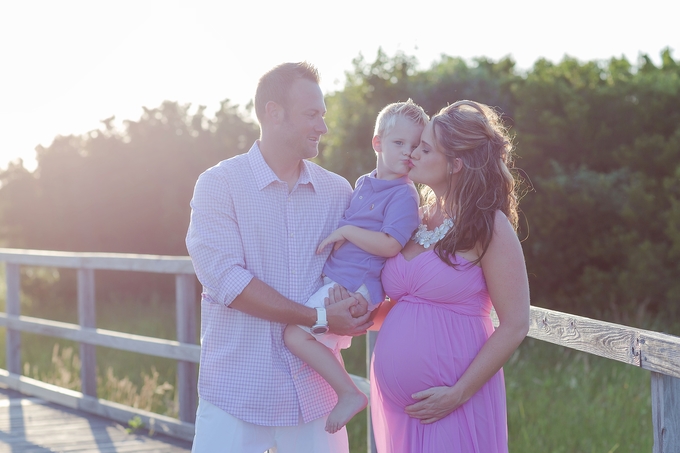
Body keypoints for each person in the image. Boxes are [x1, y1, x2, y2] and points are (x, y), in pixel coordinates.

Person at [185, 62, 372, 453]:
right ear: (273, 113)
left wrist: (358, 310)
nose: (322, 126)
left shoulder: (338, 192)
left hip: (317, 397)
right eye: (311, 115)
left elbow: (361, 267)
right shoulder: (218, 186)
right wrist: (318, 318)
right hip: (237, 393)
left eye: (323, 115)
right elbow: (228, 283)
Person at [367, 100, 531, 452]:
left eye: (425, 149)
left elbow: (516, 323)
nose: (412, 154)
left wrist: (458, 393)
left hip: (453, 403)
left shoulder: (490, 227)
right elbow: (400, 303)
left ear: (455, 164)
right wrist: (362, 313)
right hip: (398, 409)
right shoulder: (413, 217)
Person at [283, 99, 428, 434]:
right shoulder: (364, 182)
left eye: (415, 146)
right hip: (339, 279)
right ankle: (311, 419)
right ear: (378, 143)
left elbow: (391, 244)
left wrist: (347, 231)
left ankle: (349, 393)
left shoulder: (404, 195)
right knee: (317, 342)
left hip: (358, 285)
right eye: (399, 143)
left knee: (294, 333)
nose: (408, 152)